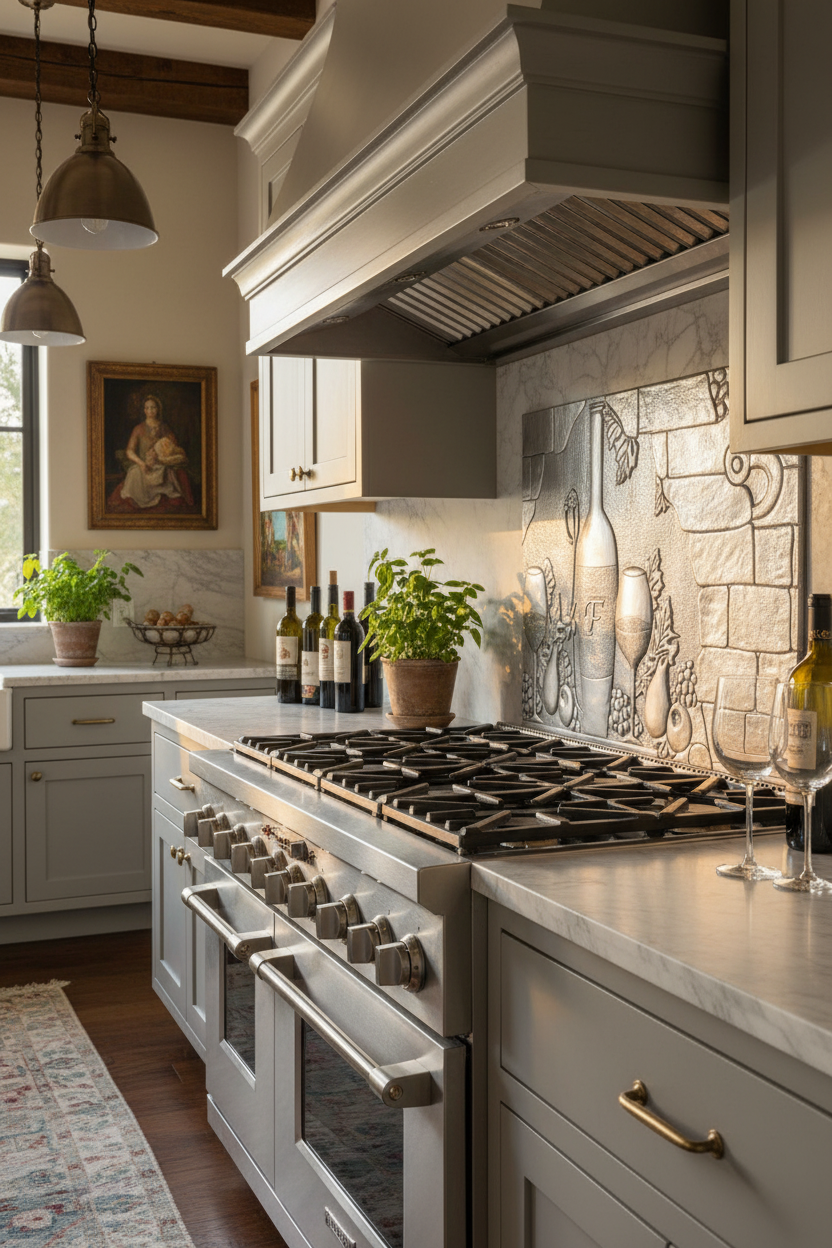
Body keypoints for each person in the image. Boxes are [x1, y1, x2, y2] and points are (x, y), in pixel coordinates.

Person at [115, 395, 192, 510]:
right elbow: (129, 451)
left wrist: (162, 454)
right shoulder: (138, 428)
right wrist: (141, 463)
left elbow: (172, 448)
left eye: (153, 407)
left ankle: (164, 494)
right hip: (144, 465)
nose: (150, 411)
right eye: (148, 408)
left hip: (162, 464)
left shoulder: (164, 428)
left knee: (168, 474)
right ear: (144, 410)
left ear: (158, 409)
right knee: (134, 473)